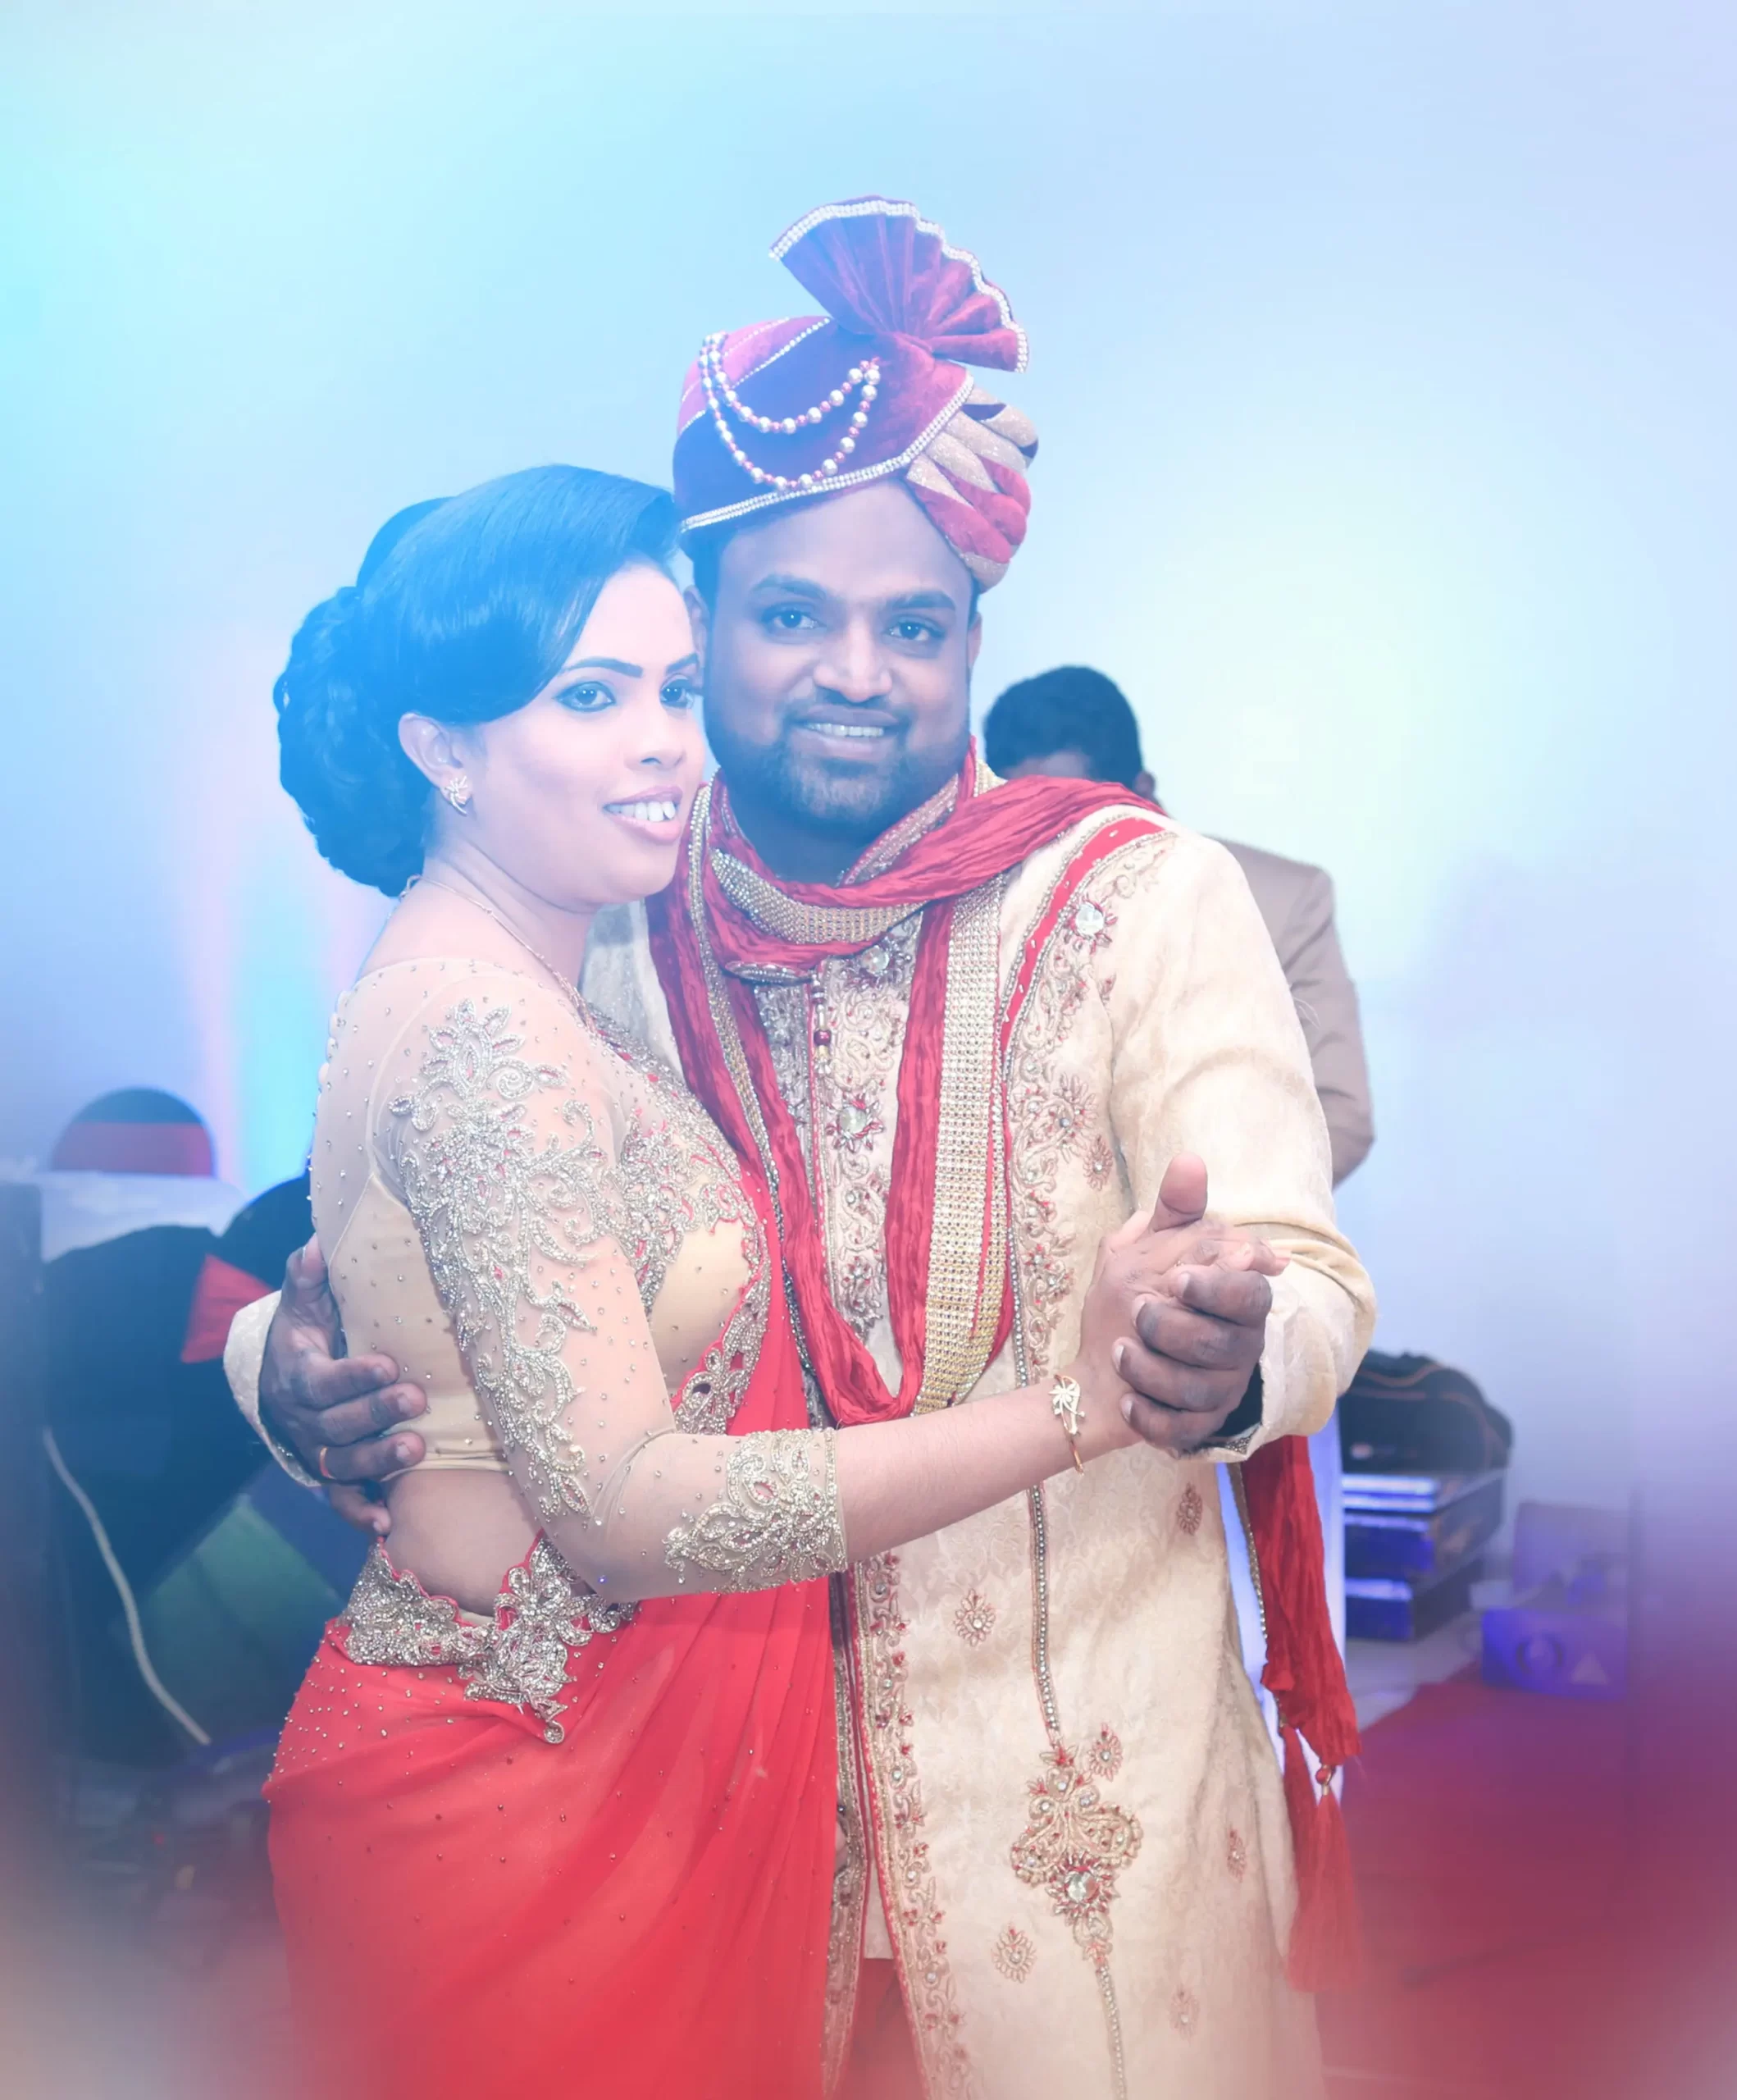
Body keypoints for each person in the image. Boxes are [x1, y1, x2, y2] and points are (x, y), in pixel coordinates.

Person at [230, 202, 1375, 2098]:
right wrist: (301, 1377)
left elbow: (1307, 1278)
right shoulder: (594, 915)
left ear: (971, 643)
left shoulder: (1134, 898)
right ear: (703, 622)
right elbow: (373, 1247)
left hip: (1075, 1797)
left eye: (912, 625)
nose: (856, 669)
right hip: (680, 1810)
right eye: (786, 617)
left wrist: (1224, 1344)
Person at [984, 666, 1375, 1186]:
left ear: (1143, 792)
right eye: (1022, 824)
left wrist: (1197, 1237)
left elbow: (1339, 1113)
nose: (1050, 853)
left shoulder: (1281, 899)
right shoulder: (978, 909)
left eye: (1073, 821)